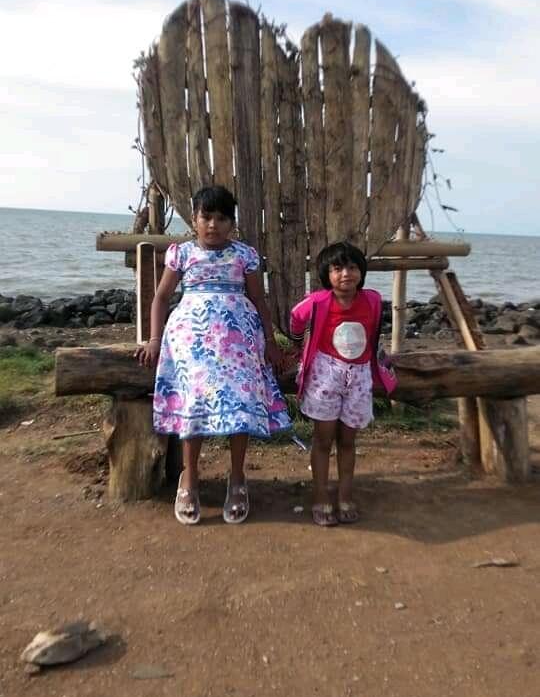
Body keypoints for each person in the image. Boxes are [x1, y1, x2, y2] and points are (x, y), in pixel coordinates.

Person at [136, 185, 291, 526]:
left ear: (232, 224)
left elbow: (259, 301)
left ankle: (237, 478)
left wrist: (270, 341)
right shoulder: (182, 254)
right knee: (194, 404)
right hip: (191, 343)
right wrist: (153, 339)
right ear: (194, 219)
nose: (214, 225)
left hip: (239, 343)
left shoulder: (245, 255)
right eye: (207, 217)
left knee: (242, 403)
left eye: (222, 218)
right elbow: (161, 298)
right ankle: (189, 478)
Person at [290, 241, 396, 527]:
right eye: (337, 268)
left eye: (352, 267)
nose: (345, 274)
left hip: (359, 377)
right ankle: (321, 495)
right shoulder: (317, 302)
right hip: (326, 375)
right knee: (323, 439)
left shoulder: (372, 300)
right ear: (327, 274)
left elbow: (373, 334)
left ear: (361, 272)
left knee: (348, 440)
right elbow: (295, 321)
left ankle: (345, 494)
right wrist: (300, 346)